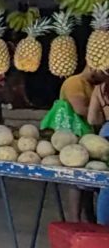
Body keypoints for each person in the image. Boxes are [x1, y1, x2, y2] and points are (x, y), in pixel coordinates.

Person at [60, 67, 106, 222]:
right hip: (73, 138)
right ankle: (75, 220)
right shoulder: (74, 82)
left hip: (89, 138)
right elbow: (80, 109)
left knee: (88, 184)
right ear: (93, 66)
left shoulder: (95, 86)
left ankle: (90, 220)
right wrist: (103, 113)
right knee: (77, 181)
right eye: (104, 71)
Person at [88, 79, 109, 225]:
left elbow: (92, 119)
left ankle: (103, 227)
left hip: (105, 136)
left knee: (106, 184)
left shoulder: (101, 88)